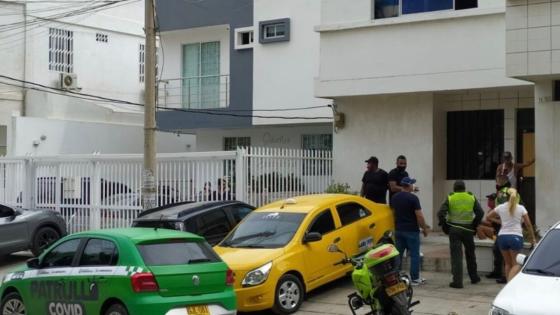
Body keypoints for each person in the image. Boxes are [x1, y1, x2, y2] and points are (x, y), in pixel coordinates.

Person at [438, 180, 484, 288]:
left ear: (454, 188)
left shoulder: (451, 197)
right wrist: (474, 225)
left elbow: (441, 213)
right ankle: (474, 277)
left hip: (454, 229)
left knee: (456, 256)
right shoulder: (471, 196)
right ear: (464, 188)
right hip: (468, 229)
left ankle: (457, 282)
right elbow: (480, 212)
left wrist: (445, 226)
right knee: (470, 254)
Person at [486, 188, 536, 282]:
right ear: (517, 197)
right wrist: (533, 238)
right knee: (516, 264)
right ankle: (509, 285)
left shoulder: (501, 207)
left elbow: (488, 217)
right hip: (515, 237)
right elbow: (528, 224)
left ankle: (507, 284)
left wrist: (500, 221)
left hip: (502, 237)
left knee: (507, 264)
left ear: (506, 197)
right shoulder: (521, 208)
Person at [391, 177, 430, 286]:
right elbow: (419, 216)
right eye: (412, 184)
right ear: (408, 186)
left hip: (398, 230)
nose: (414, 186)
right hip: (411, 231)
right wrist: (424, 229)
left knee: (398, 255)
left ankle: (396, 278)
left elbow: (393, 214)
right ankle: (415, 279)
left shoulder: (394, 197)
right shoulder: (413, 198)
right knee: (414, 255)